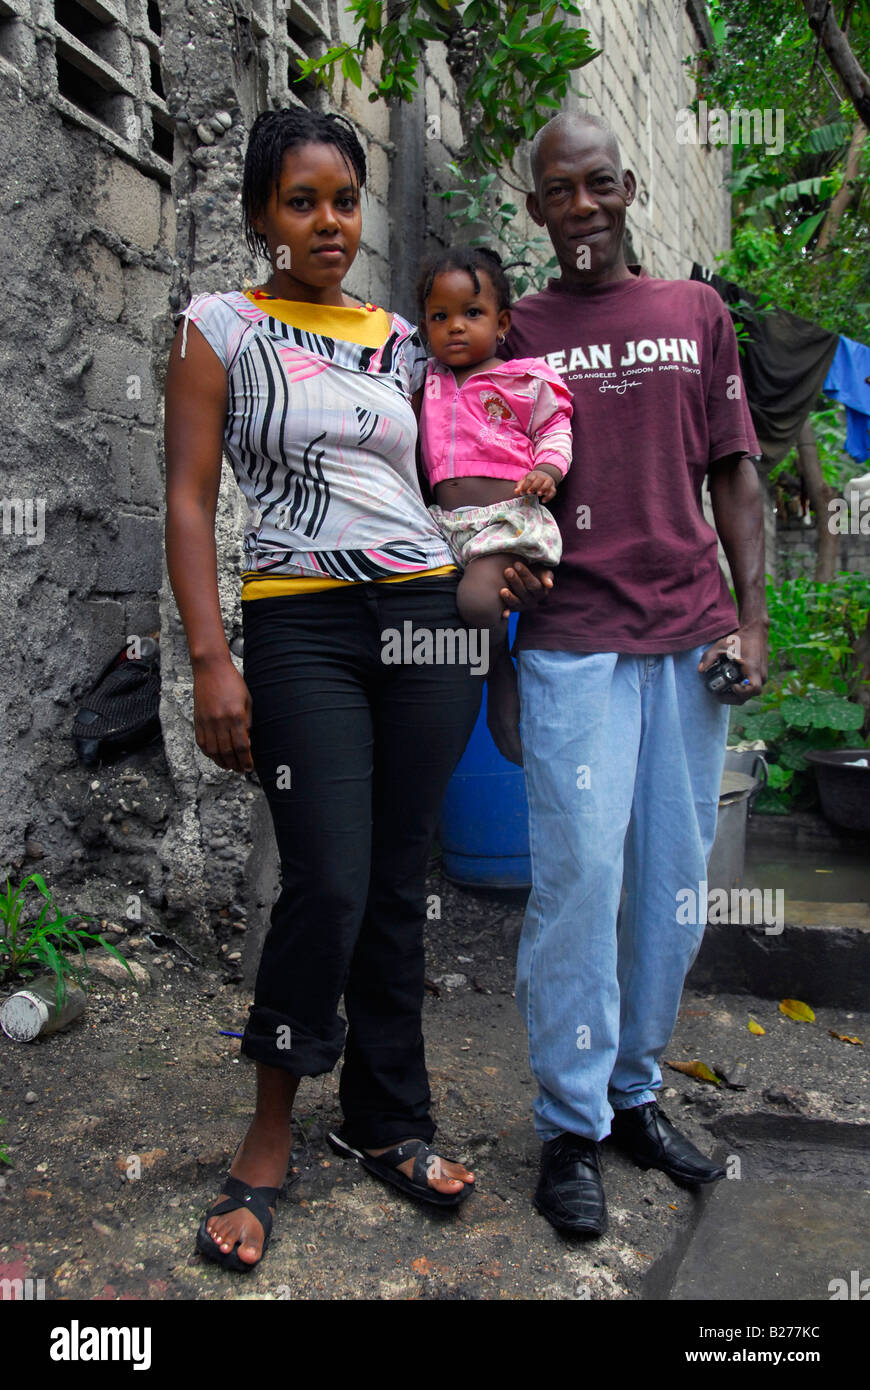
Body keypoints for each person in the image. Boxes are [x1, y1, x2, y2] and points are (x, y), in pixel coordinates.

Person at [163, 107, 547, 1271]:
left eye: (343, 199)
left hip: (428, 613)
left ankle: (388, 1117)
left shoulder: (403, 339)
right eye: (301, 201)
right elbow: (186, 500)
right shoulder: (219, 327)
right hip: (299, 624)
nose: (328, 222)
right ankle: (271, 1133)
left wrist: (503, 548)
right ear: (260, 215)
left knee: (394, 874)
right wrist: (209, 658)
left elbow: (462, 460)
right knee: (324, 876)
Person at [487, 112, 768, 1237]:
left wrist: (753, 622)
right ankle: (569, 1124)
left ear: (631, 185)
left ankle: (636, 1094)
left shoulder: (694, 314)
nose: (584, 206)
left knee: (671, 888)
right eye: (560, 190)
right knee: (575, 886)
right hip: (572, 642)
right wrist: (498, 660)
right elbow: (488, 497)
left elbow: (736, 477)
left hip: (691, 637)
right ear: (539, 207)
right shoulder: (515, 330)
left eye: (601, 183)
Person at [415, 245, 573, 638]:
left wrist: (547, 469)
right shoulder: (426, 380)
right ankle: (487, 669)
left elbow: (554, 425)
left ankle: (499, 665)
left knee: (476, 603)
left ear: (501, 323)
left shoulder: (521, 379)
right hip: (445, 526)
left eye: (472, 313)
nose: (455, 325)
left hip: (505, 520)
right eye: (440, 316)